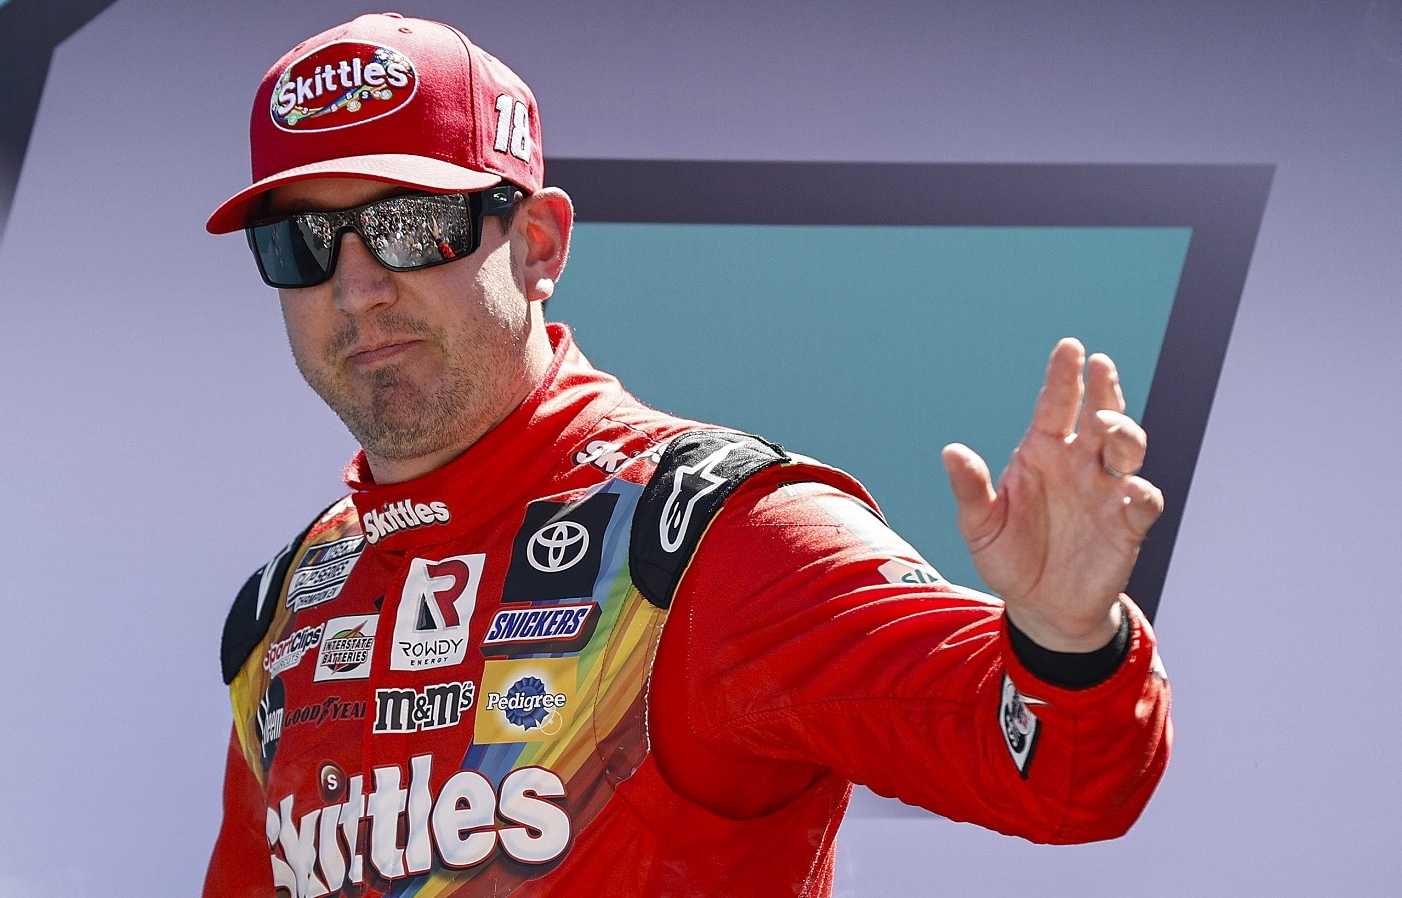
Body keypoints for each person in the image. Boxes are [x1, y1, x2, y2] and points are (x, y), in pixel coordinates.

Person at [201, 13, 1172, 898]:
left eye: (410, 226)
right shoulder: (290, 606)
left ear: (537, 243)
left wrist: (1063, 640)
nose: (357, 284)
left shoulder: (713, 534)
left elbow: (1060, 786)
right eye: (303, 242)